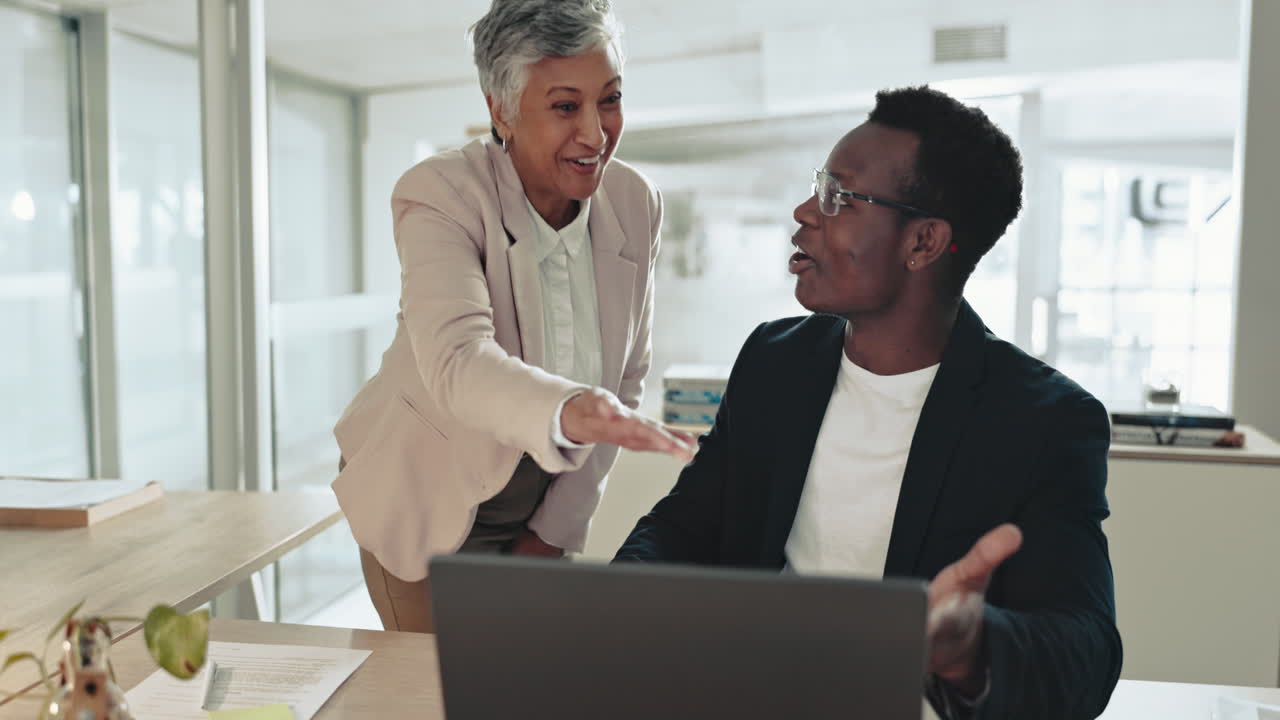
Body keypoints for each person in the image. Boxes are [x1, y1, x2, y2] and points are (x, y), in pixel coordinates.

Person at [616, 86, 1122, 719]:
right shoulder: (775, 363)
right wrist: (624, 594)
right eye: (816, 186)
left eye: (838, 197)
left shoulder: (1042, 421)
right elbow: (685, 526)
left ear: (923, 244)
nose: (804, 212)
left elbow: (1086, 651)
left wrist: (970, 647)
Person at [333, 0, 694, 634]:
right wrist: (570, 408)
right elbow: (458, 360)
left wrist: (556, 530)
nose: (595, 132)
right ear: (500, 109)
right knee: (439, 693)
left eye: (609, 99)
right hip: (427, 496)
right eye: (564, 107)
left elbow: (627, 375)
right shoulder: (441, 192)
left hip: (539, 502)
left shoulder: (635, 202)